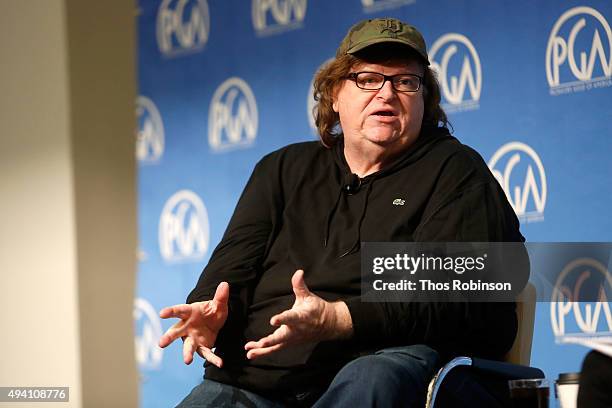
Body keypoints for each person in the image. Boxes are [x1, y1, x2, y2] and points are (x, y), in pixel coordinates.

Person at [158, 17, 524, 407]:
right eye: (367, 79)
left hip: (383, 366)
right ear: (335, 94)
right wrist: (210, 307)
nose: (386, 94)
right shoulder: (282, 169)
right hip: (260, 380)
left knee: (370, 378)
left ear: (424, 98)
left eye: (405, 81)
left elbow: (460, 297)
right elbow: (232, 267)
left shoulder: (454, 171)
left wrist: (338, 318)